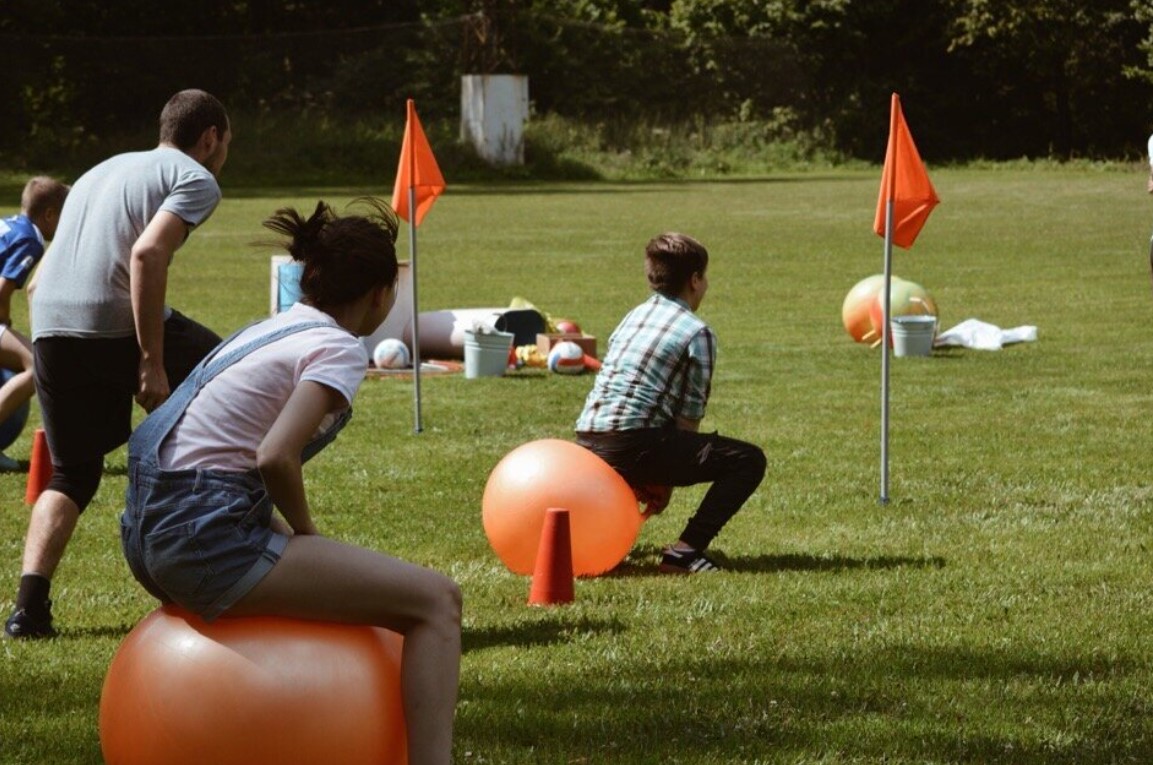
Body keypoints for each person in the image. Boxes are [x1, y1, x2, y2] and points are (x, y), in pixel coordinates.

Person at [119, 198, 461, 765]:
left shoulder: (272, 329)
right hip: (203, 536)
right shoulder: (338, 347)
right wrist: (306, 533)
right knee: (437, 602)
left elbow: (223, 462)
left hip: (147, 531)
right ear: (381, 293)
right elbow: (275, 456)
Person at [5, 89, 231, 639]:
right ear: (209, 139)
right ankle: (224, 555)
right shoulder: (196, 177)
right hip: (112, 320)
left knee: (70, 473)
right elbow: (148, 255)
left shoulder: (100, 170)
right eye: (226, 143)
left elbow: (36, 280)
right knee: (231, 371)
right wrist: (150, 362)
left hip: (52, 322)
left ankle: (27, 609)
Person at [574, 232, 766, 574]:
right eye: (705, 277)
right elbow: (688, 420)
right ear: (694, 280)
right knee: (748, 460)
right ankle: (685, 552)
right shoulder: (697, 332)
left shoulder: (632, 316)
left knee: (649, 446)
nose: (706, 285)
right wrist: (667, 481)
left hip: (586, 440)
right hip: (633, 443)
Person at [0, 177, 70, 470]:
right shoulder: (31, 238)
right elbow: (3, 286)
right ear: (50, 215)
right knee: (38, 365)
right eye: (65, 217)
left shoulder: (10, 223)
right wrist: (4, 319)